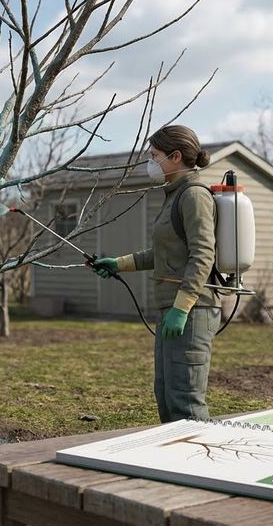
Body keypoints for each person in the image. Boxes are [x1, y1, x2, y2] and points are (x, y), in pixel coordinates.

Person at [91, 125, 220, 423]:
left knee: (185, 401)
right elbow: (164, 253)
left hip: (192, 310)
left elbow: (203, 254)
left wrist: (182, 308)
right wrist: (118, 264)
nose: (151, 162)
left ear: (175, 157)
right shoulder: (174, 195)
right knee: (166, 395)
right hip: (173, 308)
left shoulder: (194, 196)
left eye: (154, 155)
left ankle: (199, 453)